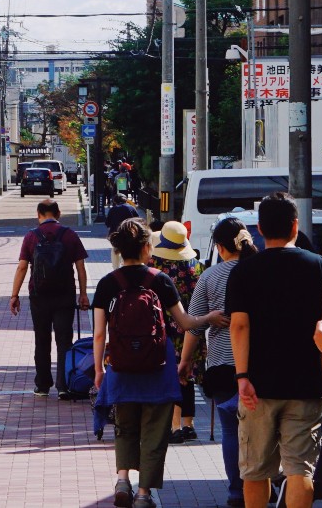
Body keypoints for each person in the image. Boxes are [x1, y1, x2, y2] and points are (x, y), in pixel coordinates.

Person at [228, 193, 322, 508]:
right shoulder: (319, 267)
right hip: (306, 383)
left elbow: (239, 326)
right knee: (300, 468)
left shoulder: (244, 271)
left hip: (257, 386)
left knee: (254, 469)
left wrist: (242, 376)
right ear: (295, 226)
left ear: (260, 229)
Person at [94, 217, 198, 508]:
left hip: (121, 365)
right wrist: (210, 318)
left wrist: (100, 369)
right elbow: (185, 322)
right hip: (157, 366)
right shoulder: (159, 280)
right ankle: (143, 495)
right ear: (145, 247)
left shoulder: (107, 283)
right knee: (154, 432)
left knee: (124, 426)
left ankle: (123, 480)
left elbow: (99, 333)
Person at [183, 217, 256, 508]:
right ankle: (262, 485)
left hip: (224, 364)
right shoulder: (259, 270)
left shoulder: (210, 276)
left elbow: (194, 326)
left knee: (230, 432)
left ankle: (237, 491)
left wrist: (185, 360)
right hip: (259, 364)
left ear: (222, 247)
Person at [11, 198, 91, 398]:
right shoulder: (70, 235)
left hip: (39, 296)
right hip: (65, 295)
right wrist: (83, 294)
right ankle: (64, 386)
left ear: (38, 214)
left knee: (42, 339)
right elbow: (80, 268)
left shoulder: (31, 236)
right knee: (64, 340)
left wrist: (15, 295)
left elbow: (22, 267)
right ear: (58, 214)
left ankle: (43, 385)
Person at [152, 221, 202, 442]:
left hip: (165, 328)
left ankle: (174, 427)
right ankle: (189, 424)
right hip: (191, 328)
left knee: (170, 376)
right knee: (187, 375)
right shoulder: (196, 265)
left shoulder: (155, 265)